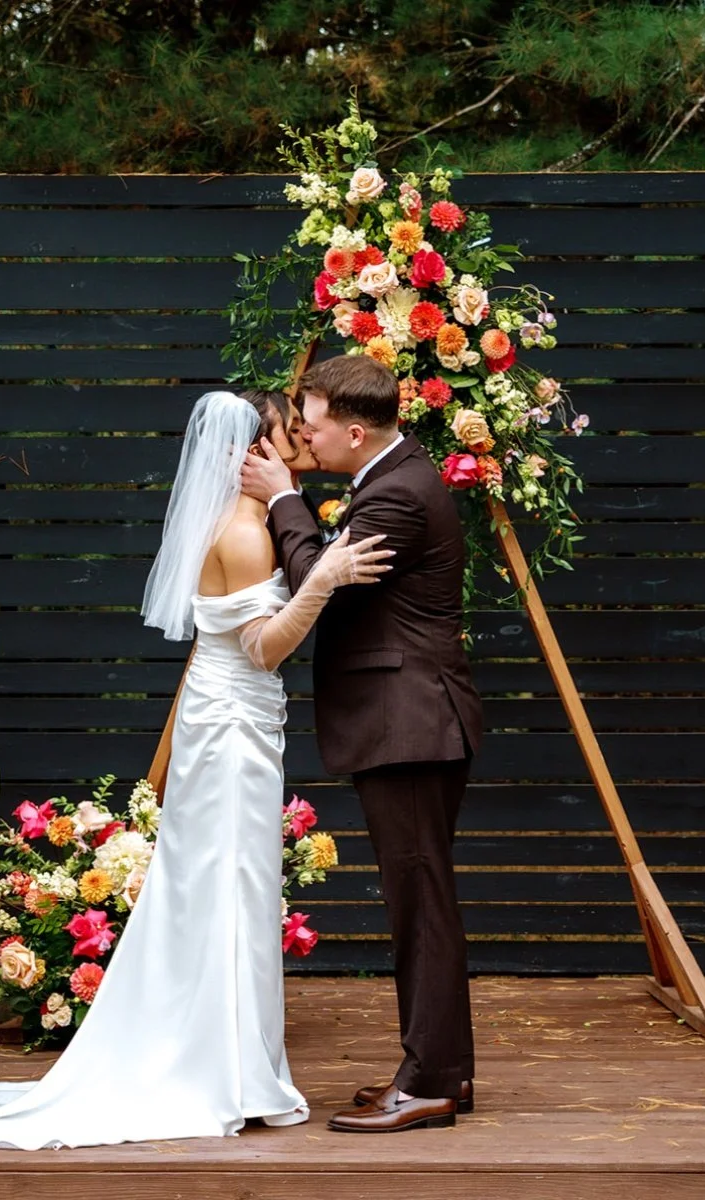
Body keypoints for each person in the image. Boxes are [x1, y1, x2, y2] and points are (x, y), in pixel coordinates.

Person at [0, 389, 392, 1150]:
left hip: (227, 719)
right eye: (279, 435)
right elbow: (265, 648)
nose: (295, 440)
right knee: (232, 883)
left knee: (224, 883)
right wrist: (325, 579)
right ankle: (226, 1072)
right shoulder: (245, 534)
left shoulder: (236, 522)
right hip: (232, 730)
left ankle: (231, 1060)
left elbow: (216, 649)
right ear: (247, 456)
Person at [240, 355, 483, 1134]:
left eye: (309, 425)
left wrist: (283, 499)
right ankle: (440, 1071)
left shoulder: (399, 495)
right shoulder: (393, 476)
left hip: (410, 722)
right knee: (420, 900)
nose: (301, 437)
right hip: (408, 718)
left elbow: (322, 576)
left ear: (352, 430)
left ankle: (434, 1081)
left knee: (422, 905)